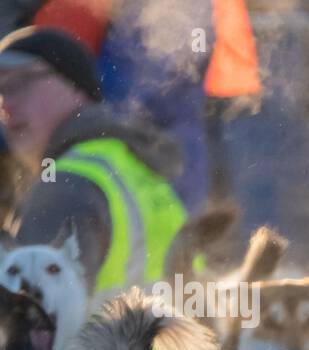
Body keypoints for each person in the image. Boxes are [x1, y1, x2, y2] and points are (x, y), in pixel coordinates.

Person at [0, 25, 187, 300]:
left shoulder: (65, 186)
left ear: (75, 89)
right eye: (0, 90)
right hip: (151, 342)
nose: (6, 103)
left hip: (101, 344)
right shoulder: (133, 165)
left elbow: (29, 327)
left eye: (19, 83)